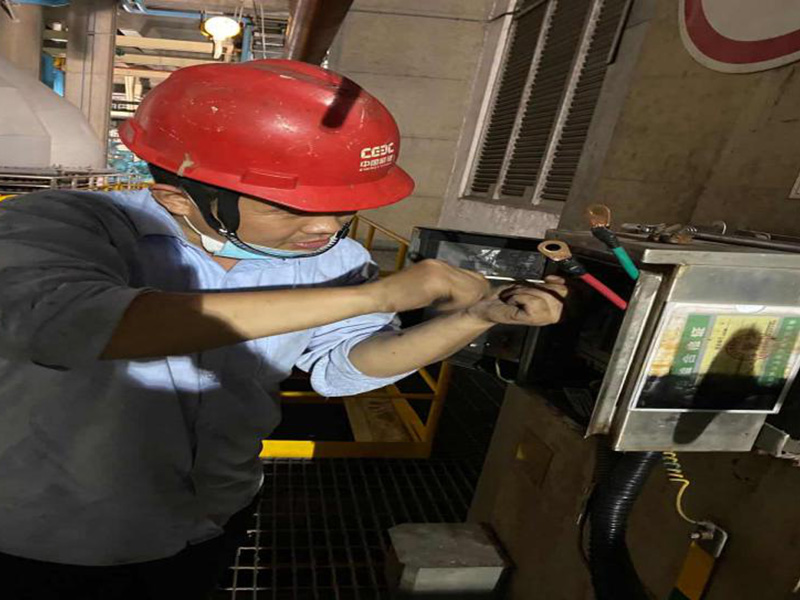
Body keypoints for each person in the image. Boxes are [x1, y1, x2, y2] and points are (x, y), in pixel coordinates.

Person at [0, 59, 566, 599]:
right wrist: (378, 295)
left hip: (210, 516)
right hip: (53, 537)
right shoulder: (62, 225)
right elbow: (64, 325)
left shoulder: (333, 259)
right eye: (289, 208)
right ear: (179, 197)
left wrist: (474, 318)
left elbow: (345, 368)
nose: (326, 227)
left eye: (343, 206)